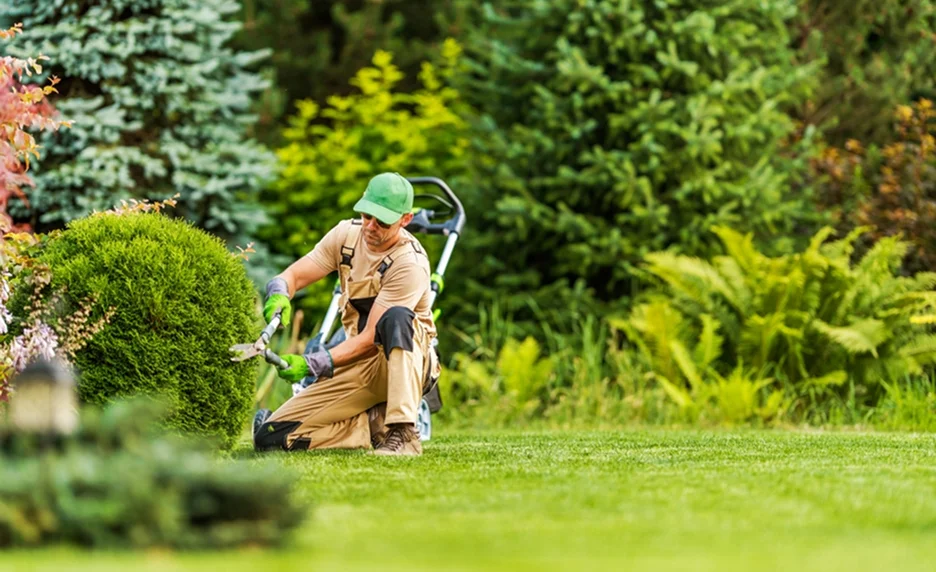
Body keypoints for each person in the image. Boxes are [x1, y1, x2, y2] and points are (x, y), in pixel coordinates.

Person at [253, 172, 439, 456]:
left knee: (397, 317)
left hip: (402, 363)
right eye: (367, 216)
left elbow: (368, 339)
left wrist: (311, 364)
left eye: (383, 221)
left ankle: (404, 432)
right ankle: (370, 425)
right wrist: (279, 292)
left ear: (405, 220)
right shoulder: (345, 235)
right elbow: (294, 275)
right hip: (356, 364)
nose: (371, 226)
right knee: (270, 437)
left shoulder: (409, 263)